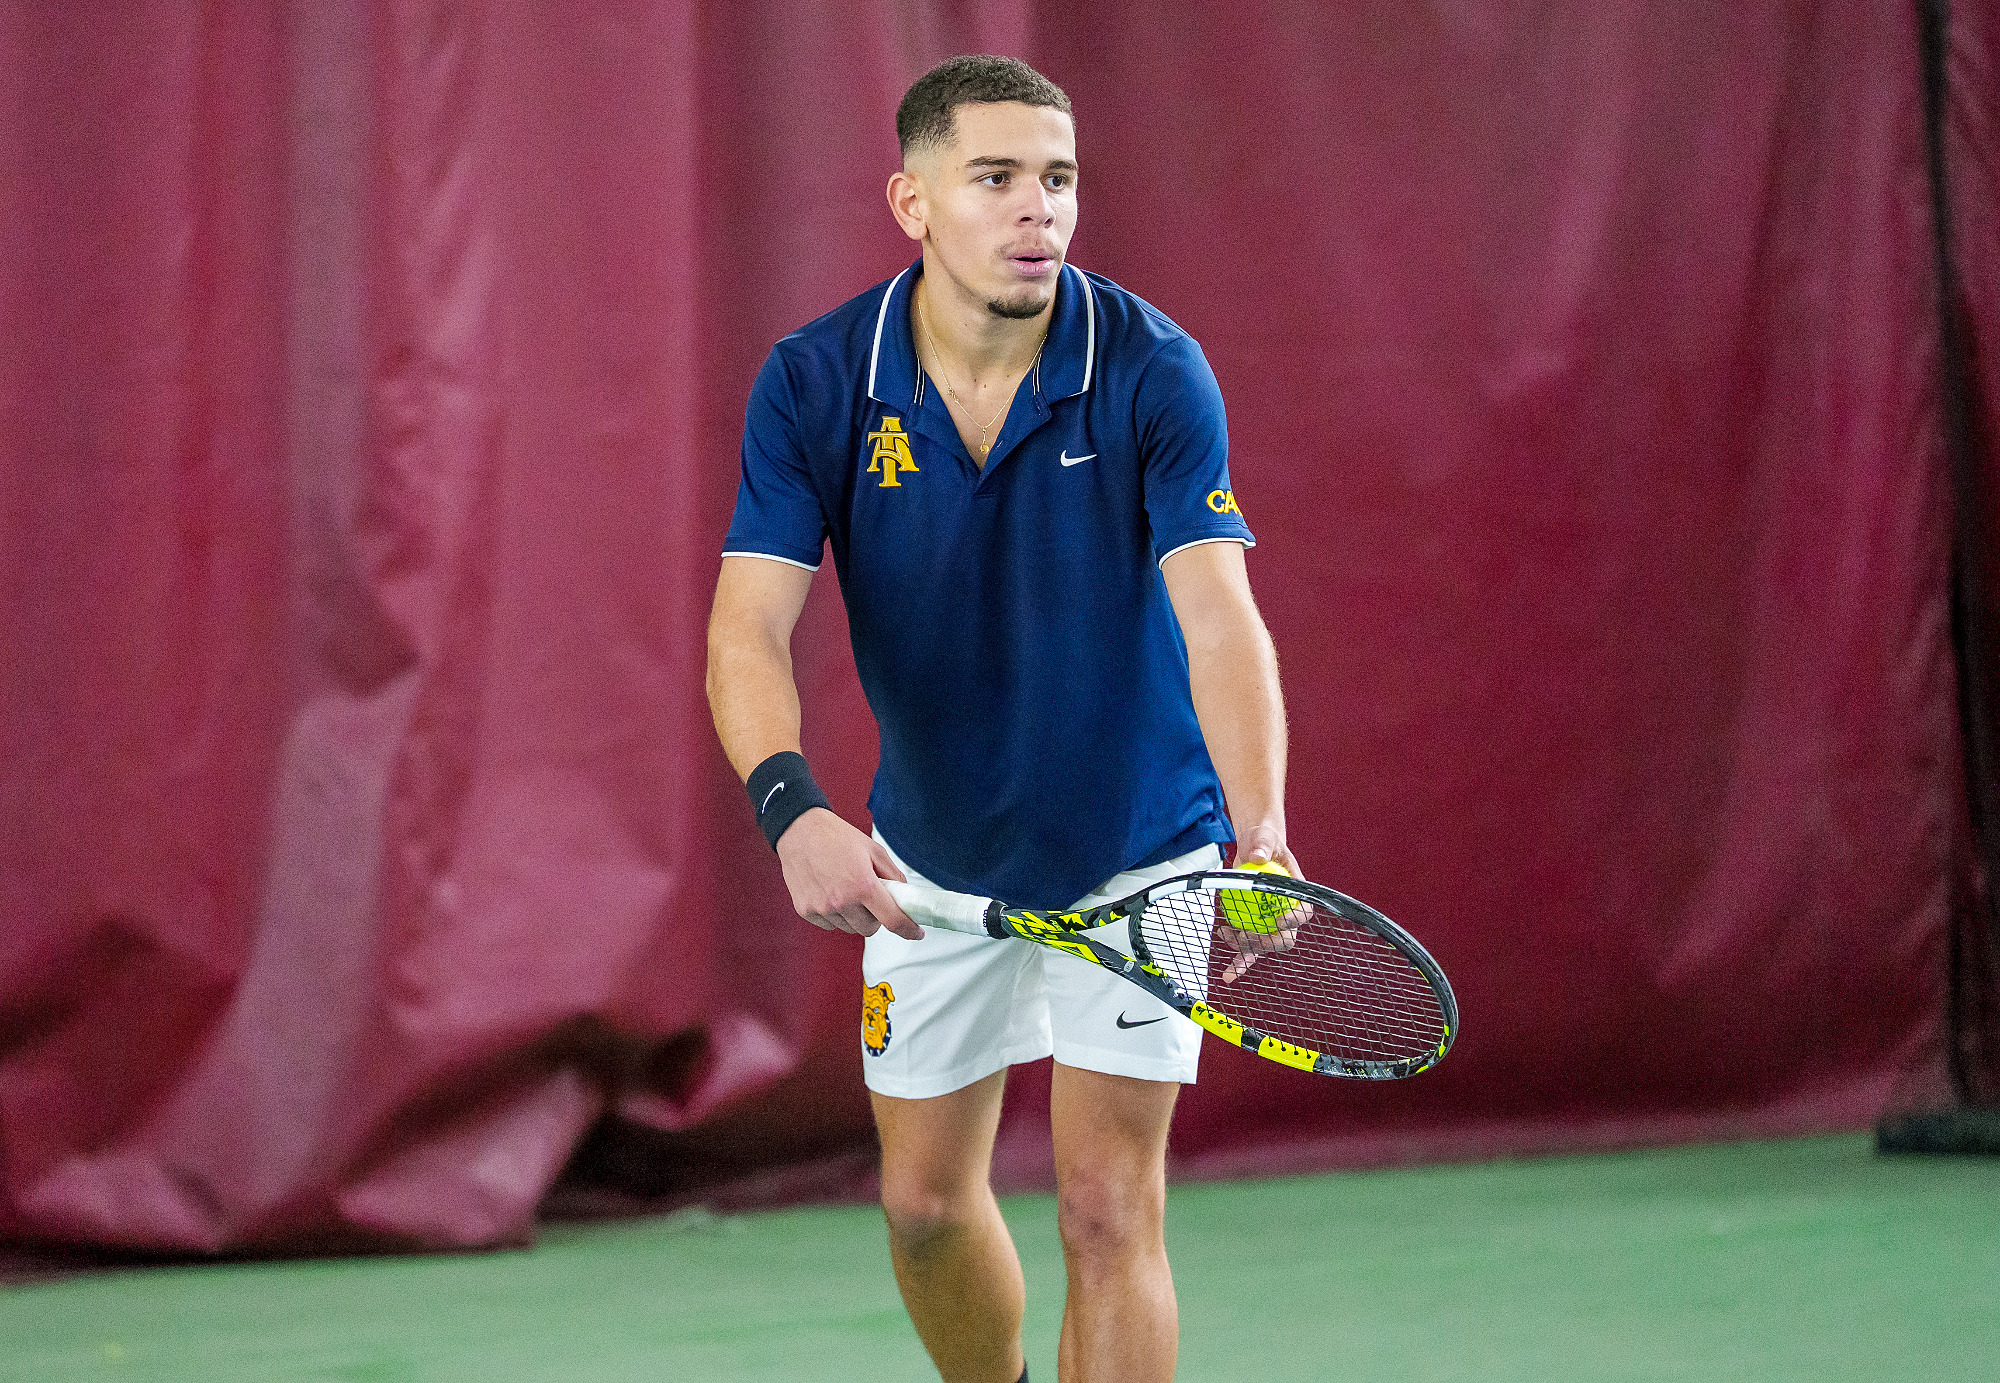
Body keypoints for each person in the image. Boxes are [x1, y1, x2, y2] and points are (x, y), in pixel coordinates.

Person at [706, 54, 1293, 1383]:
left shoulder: (1151, 370)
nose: (1042, 209)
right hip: (934, 863)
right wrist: (791, 806)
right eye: (999, 178)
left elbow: (1220, 622)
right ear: (913, 202)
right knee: (919, 1211)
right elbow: (747, 627)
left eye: (1060, 179)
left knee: (1107, 1203)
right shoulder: (814, 385)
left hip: (1143, 851)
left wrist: (1257, 833)